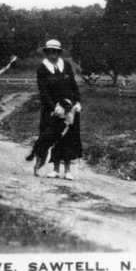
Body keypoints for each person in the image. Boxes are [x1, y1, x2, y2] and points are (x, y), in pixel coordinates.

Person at [33, 39, 82, 179]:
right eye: (50, 51)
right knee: (52, 137)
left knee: (68, 137)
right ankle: (54, 169)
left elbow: (73, 85)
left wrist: (77, 101)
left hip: (68, 107)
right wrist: (54, 107)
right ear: (47, 52)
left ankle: (67, 171)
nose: (53, 53)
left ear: (59, 52)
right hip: (52, 109)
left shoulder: (66, 65)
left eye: (55, 51)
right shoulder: (42, 68)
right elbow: (43, 91)